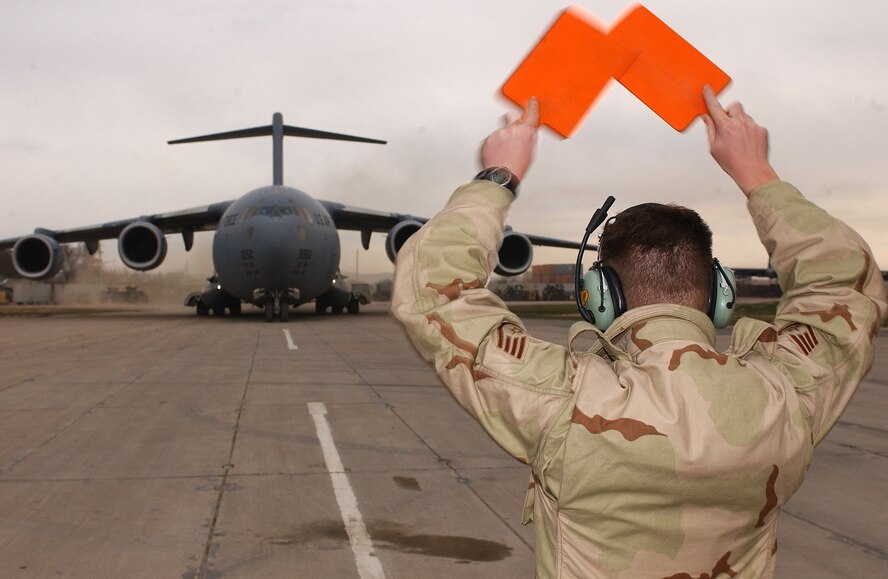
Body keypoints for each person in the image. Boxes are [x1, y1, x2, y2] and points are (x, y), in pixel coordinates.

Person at [390, 87, 886, 578]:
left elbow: (433, 292)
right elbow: (845, 283)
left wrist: (499, 175)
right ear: (720, 293)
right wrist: (757, 174)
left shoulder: (564, 403)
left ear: (599, 297)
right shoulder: (783, 398)